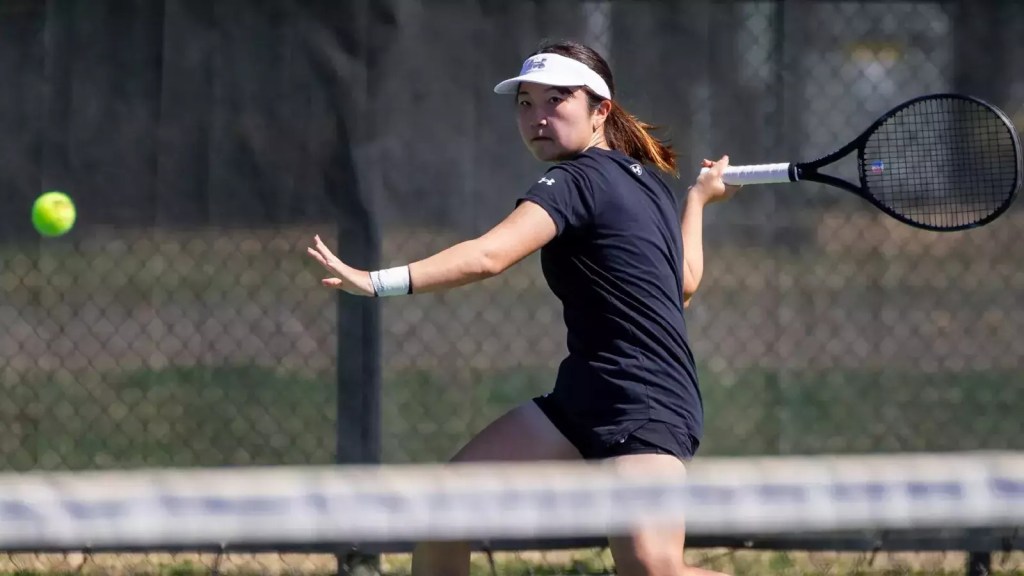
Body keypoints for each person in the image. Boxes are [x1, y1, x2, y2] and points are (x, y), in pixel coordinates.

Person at [306, 39, 740, 576]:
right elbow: (684, 285)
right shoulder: (649, 182)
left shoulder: (573, 182)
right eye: (525, 103)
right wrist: (695, 201)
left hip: (642, 404)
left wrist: (378, 282)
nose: (537, 117)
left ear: (600, 110)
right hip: (585, 395)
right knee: (447, 507)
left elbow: (489, 256)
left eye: (556, 100)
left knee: (653, 570)